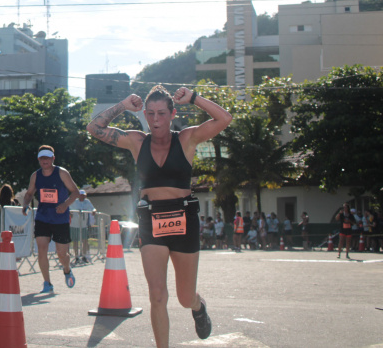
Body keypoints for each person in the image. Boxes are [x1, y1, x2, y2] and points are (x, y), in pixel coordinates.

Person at [87, 85, 232, 346]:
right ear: (144, 113)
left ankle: (198, 307)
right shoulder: (136, 141)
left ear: (173, 113)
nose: (156, 120)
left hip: (184, 219)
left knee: (184, 297)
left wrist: (195, 98)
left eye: (162, 113)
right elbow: (93, 128)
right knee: (157, 295)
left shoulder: (187, 138)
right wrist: (122, 105)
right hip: (151, 221)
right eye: (150, 113)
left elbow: (225, 119)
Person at [21, 144, 80, 294]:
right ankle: (47, 283)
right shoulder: (36, 175)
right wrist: (25, 204)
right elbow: (29, 193)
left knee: (62, 254)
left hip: (60, 218)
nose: (44, 161)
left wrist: (65, 204)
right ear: (39, 160)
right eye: (41, 158)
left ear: (53, 158)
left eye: (47, 158)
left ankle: (67, 270)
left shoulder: (62, 173)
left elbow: (75, 192)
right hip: (43, 217)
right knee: (42, 249)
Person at [70, 189, 96, 263]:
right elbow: (68, 208)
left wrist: (94, 211)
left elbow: (92, 208)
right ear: (78, 196)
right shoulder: (74, 202)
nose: (83, 197)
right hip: (75, 224)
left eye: (84, 195)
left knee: (85, 240)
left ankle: (84, 255)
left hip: (84, 224)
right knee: (75, 241)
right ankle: (76, 256)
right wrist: (70, 213)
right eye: (82, 195)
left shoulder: (87, 202)